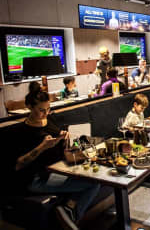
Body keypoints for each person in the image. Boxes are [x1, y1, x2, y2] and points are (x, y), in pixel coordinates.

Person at [12, 82, 100, 229]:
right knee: (93, 184)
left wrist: (64, 139)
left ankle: (69, 209)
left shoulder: (48, 120)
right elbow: (18, 164)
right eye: (41, 110)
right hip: (37, 179)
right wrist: (41, 147)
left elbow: (60, 147)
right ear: (29, 107)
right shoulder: (22, 131)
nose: (46, 113)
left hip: (58, 170)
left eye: (48, 109)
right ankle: (71, 218)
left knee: (95, 177)